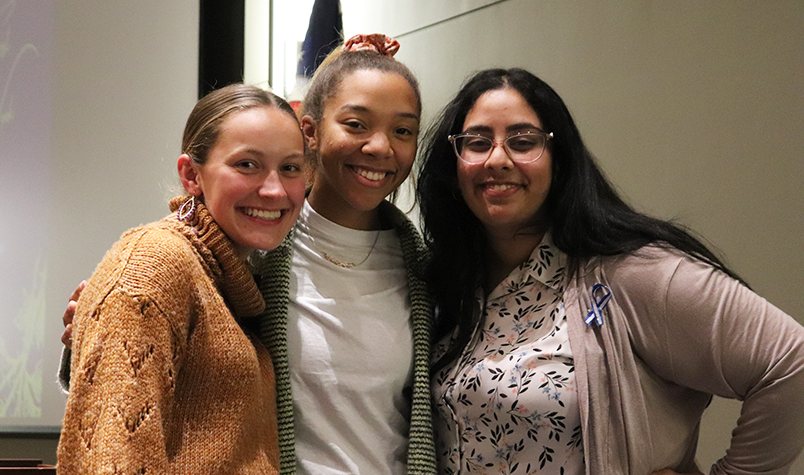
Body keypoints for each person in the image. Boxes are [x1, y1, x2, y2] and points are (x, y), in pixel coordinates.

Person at [60, 34, 436, 475]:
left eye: (403, 130)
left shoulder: (426, 271)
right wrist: (97, 336)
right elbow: (120, 430)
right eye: (247, 164)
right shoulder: (198, 257)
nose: (380, 146)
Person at [416, 67, 804, 474]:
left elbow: (791, 363)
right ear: (454, 164)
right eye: (477, 143)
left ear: (559, 160)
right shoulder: (447, 286)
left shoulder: (632, 273)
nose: (497, 158)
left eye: (523, 141)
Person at [56, 83, 307, 474]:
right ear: (191, 175)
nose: (275, 189)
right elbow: (113, 459)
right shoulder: (155, 261)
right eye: (247, 164)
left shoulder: (231, 279)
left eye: (290, 168)